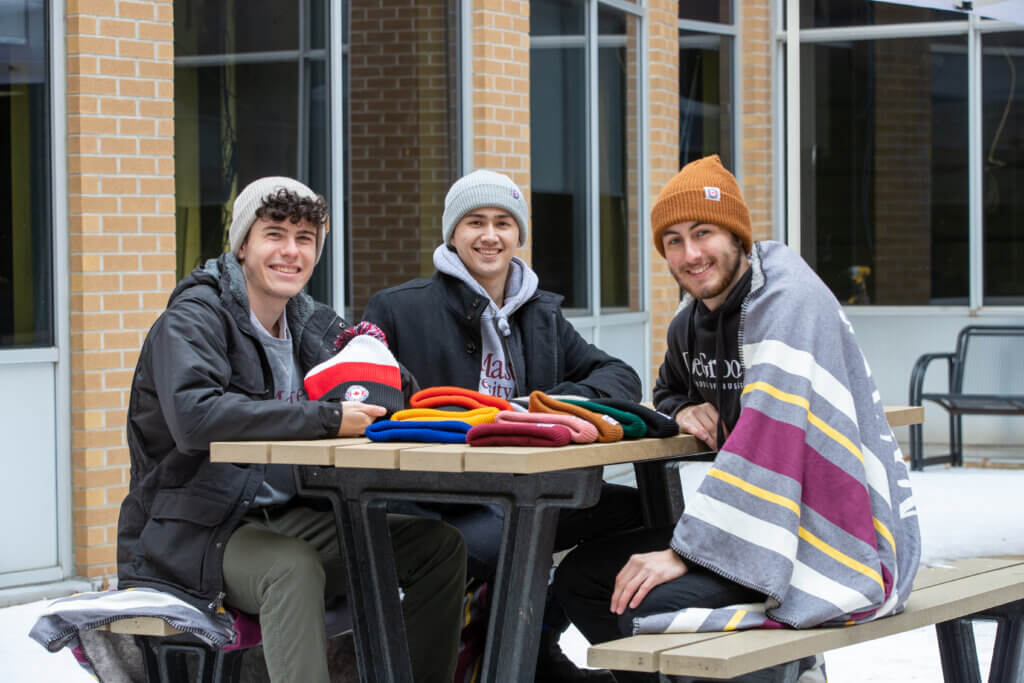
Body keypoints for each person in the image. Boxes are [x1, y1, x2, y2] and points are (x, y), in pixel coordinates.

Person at [553, 155, 921, 682]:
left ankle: (789, 667)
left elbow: (771, 436)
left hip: (830, 536)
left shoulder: (789, 303)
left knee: (637, 604)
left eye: (703, 233)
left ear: (738, 236)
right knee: (582, 579)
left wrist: (685, 553)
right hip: (757, 522)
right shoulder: (690, 322)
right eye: (673, 240)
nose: (690, 253)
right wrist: (682, 407)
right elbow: (667, 386)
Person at [116, 177, 466, 683]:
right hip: (196, 529)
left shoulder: (311, 324)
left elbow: (392, 389)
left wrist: (377, 369)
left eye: (305, 238)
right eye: (274, 234)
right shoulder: (193, 320)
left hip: (288, 514)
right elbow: (197, 419)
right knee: (292, 568)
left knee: (437, 546)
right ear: (242, 245)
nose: (290, 251)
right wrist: (326, 418)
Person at [362, 169, 644, 682]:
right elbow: (375, 402)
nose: (490, 235)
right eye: (475, 222)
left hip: (532, 491)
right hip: (441, 500)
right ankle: (509, 660)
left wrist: (543, 407)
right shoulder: (400, 308)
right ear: (453, 233)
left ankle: (539, 644)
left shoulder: (541, 313)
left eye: (502, 223)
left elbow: (620, 376)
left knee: (644, 512)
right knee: (522, 537)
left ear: (518, 235)